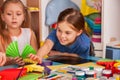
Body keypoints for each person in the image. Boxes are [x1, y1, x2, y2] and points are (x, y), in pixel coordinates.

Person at [0, 0, 38, 66]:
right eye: (9, 14)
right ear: (3, 17)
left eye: (18, 14)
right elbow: (2, 61)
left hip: (28, 71)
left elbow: (36, 56)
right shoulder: (1, 36)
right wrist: (11, 62)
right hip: (10, 72)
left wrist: (30, 58)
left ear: (23, 16)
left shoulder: (30, 33)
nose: (14, 17)